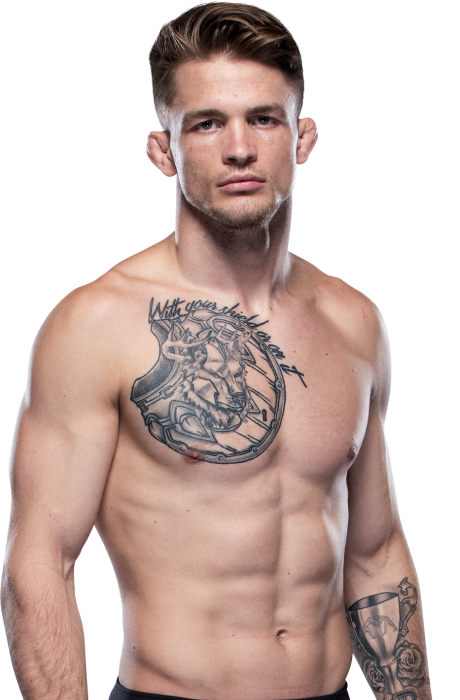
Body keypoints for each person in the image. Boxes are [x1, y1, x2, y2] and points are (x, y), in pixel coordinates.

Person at [0, 3, 431, 699]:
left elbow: (376, 555)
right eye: (206, 123)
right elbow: (40, 564)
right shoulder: (96, 324)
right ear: (163, 151)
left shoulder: (353, 321)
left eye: (264, 119)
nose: (238, 148)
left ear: (302, 138)